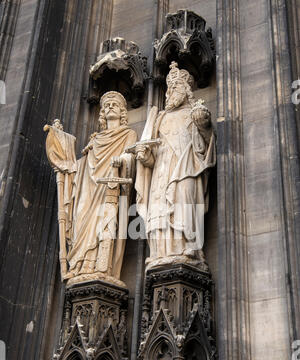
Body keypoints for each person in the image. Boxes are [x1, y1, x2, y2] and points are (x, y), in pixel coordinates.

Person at [44, 91, 137, 285]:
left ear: (122, 112)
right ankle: (80, 266)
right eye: (107, 105)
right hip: (88, 190)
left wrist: (122, 160)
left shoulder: (129, 134)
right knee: (82, 222)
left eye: (115, 105)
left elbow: (131, 158)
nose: (110, 107)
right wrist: (62, 146)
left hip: (110, 188)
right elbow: (80, 167)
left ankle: (100, 267)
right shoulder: (94, 140)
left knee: (105, 224)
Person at [135, 62, 216, 270]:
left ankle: (189, 248)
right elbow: (151, 158)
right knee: (159, 210)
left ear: (187, 90)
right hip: (161, 173)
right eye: (168, 88)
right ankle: (160, 252)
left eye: (176, 87)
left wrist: (204, 126)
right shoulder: (160, 117)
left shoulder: (195, 113)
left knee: (184, 204)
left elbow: (206, 148)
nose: (170, 92)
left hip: (187, 169)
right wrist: (144, 158)